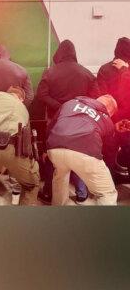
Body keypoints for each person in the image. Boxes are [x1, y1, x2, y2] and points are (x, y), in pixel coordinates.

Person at [36, 40, 99, 204]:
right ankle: (81, 192)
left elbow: (41, 95)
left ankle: (48, 191)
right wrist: (78, 107)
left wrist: (60, 107)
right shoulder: (86, 73)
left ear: (59, 53)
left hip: (56, 120)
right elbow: (95, 97)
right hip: (80, 121)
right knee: (79, 153)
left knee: (53, 155)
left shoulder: (50, 72)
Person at [46, 95, 123, 205]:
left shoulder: (70, 103)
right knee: (107, 193)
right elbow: (108, 150)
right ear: (109, 110)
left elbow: (51, 126)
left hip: (55, 147)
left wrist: (46, 149)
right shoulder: (106, 119)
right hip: (85, 152)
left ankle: (58, 211)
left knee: (60, 178)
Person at [97, 37, 130, 173]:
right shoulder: (127, 70)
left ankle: (110, 181)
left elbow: (101, 96)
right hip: (127, 118)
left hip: (110, 118)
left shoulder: (104, 69)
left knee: (109, 151)